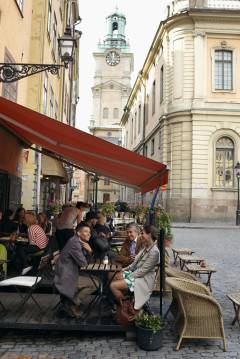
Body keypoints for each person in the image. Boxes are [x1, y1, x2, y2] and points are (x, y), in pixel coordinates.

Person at [110, 225, 160, 315]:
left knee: (113, 286)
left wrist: (127, 276)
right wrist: (123, 271)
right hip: (136, 275)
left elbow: (142, 271)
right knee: (114, 276)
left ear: (149, 235)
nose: (141, 235)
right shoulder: (146, 247)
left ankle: (125, 307)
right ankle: (127, 303)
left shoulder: (154, 252)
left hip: (143, 280)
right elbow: (133, 264)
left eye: (143, 233)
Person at [54, 223, 99, 318]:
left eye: (89, 232)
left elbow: (85, 263)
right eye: (86, 231)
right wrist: (90, 251)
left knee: (97, 280)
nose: (89, 234)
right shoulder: (75, 244)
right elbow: (84, 264)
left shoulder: (76, 241)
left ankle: (72, 302)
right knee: (95, 284)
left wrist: (88, 252)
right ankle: (72, 304)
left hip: (70, 273)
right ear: (78, 233)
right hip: (66, 277)